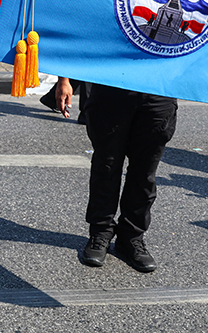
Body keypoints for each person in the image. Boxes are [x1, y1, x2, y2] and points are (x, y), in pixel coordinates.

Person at [56, 79, 176, 273]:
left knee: (144, 173)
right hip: (112, 89)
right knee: (106, 167)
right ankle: (100, 233)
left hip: (159, 91)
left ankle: (131, 238)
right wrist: (64, 79)